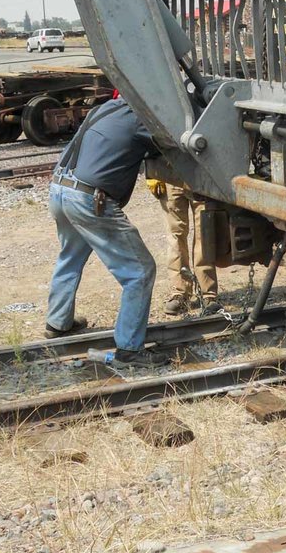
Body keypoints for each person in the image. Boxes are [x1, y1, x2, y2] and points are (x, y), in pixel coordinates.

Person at [45, 95, 168, 369]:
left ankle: (58, 322)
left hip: (59, 189)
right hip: (88, 199)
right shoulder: (141, 117)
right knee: (140, 271)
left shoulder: (105, 108)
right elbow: (171, 144)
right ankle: (129, 350)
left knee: (70, 257)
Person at [149, 181, 220, 316]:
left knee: (204, 234)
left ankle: (208, 294)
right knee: (175, 237)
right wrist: (152, 175)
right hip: (169, 175)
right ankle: (180, 293)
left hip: (200, 174)